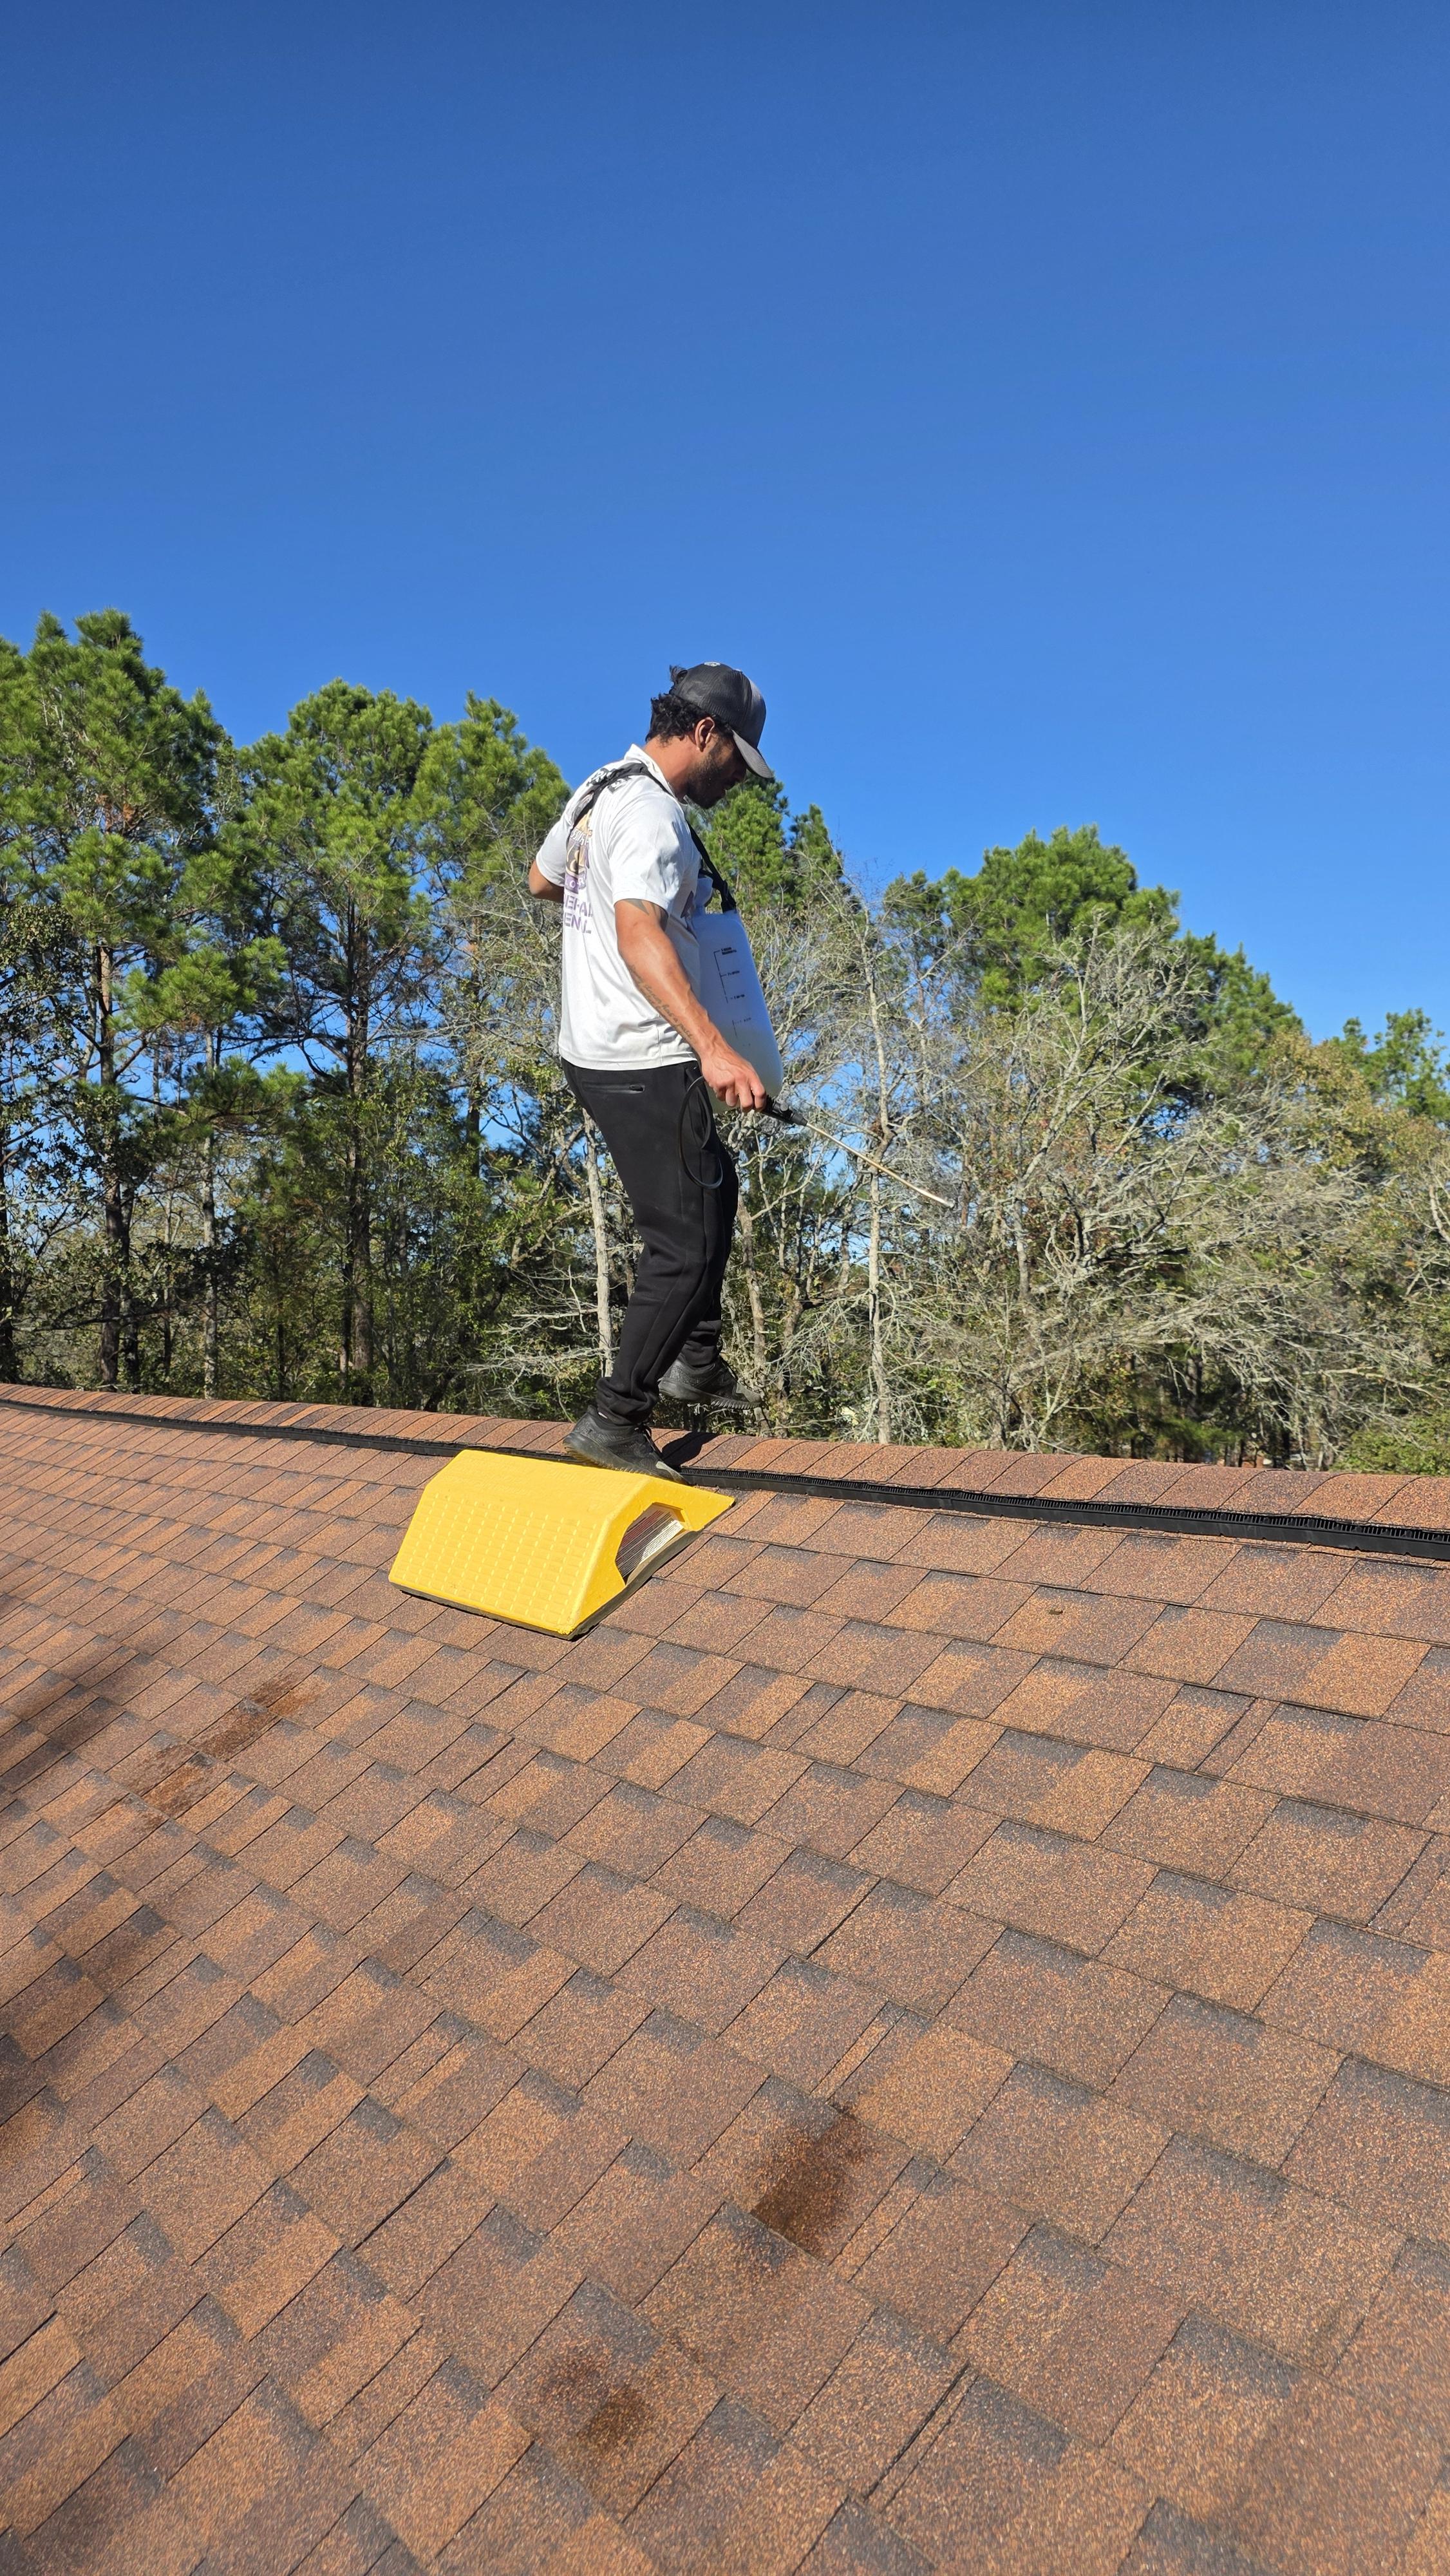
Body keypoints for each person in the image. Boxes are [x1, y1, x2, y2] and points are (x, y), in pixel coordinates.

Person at [529, 662, 771, 1477]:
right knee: (683, 1248)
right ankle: (615, 1418)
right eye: (738, 760)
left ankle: (693, 1358)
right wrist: (713, 1045)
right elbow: (639, 934)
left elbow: (541, 879)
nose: (739, 779)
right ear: (705, 733)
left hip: (591, 1048)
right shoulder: (653, 815)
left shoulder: (599, 790)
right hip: (644, 1053)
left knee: (715, 1189)